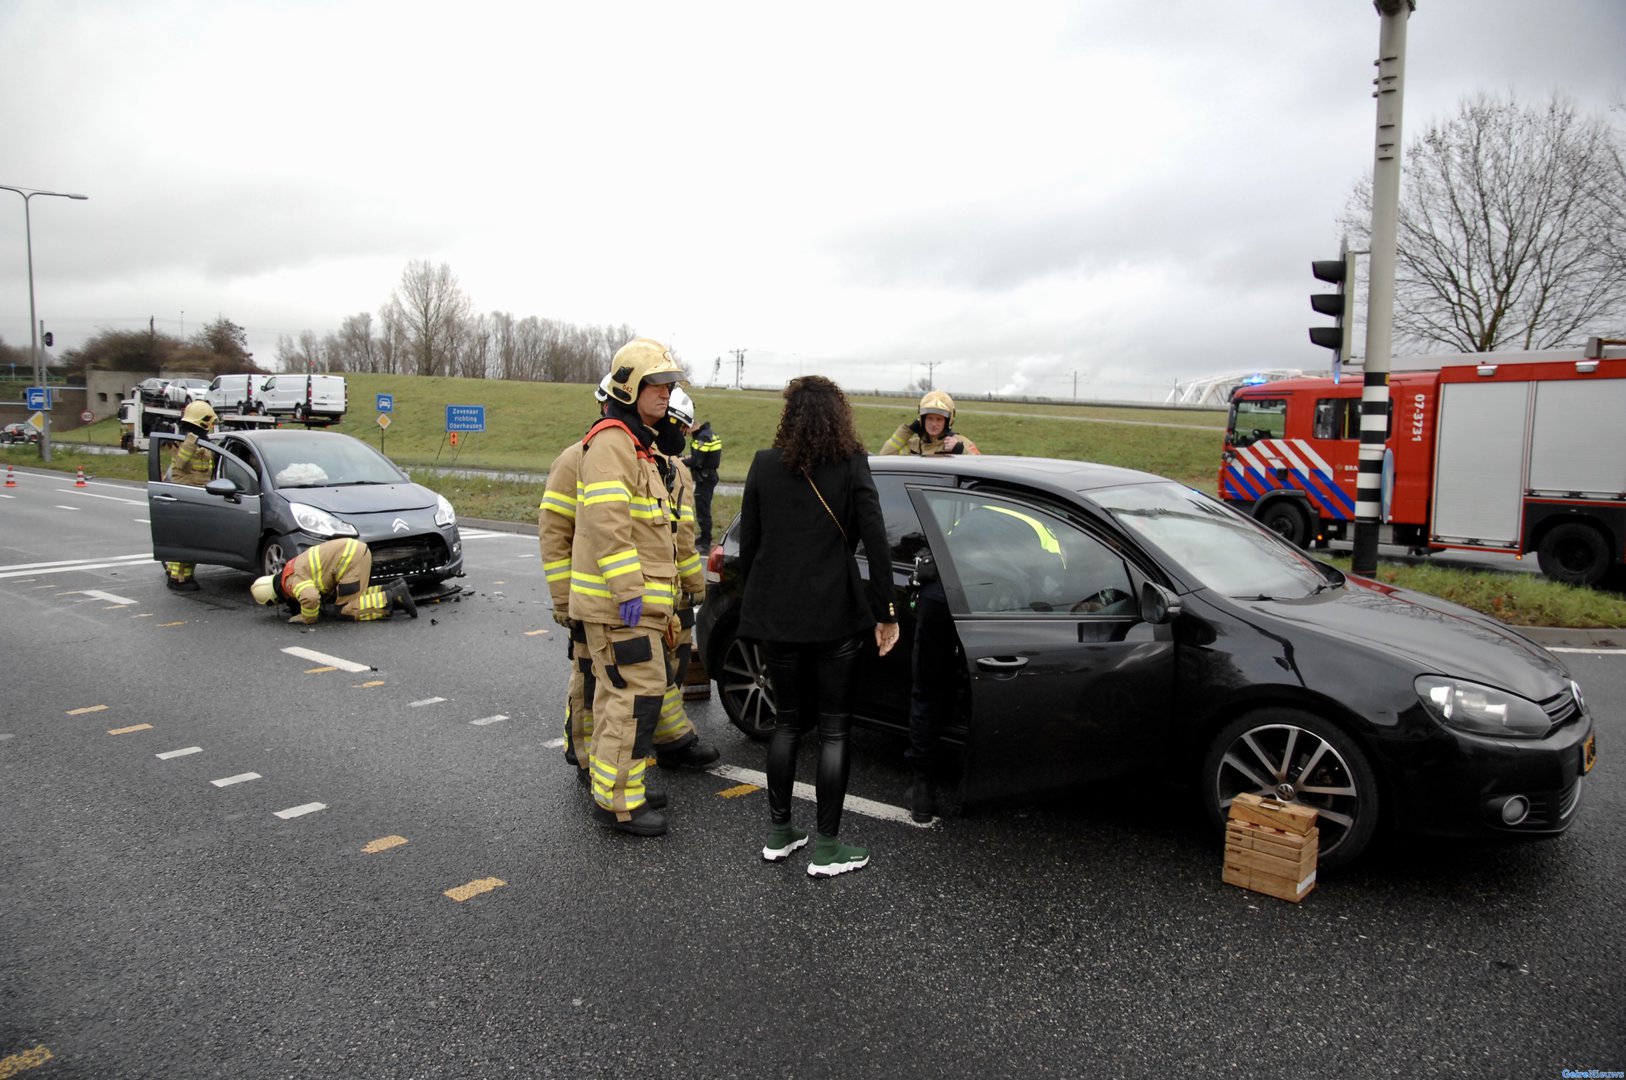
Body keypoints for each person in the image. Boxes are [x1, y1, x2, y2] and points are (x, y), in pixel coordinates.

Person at [736, 375, 899, 877]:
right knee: (833, 731)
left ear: (790, 416)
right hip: (834, 616)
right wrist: (886, 612)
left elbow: (752, 543)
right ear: (839, 414)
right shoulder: (852, 465)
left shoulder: (765, 464)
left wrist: (761, 599)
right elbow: (875, 541)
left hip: (778, 616)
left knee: (786, 724)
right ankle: (827, 847)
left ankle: (780, 833)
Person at [570, 338, 717, 838]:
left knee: (633, 700)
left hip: (636, 607)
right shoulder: (612, 441)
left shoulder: (638, 445)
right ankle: (618, 804)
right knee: (632, 700)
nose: (666, 393)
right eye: (658, 385)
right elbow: (608, 524)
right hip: (619, 607)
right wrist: (629, 590)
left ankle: (620, 793)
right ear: (630, 386)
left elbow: (664, 534)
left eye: (670, 384)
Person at [539, 375, 615, 788]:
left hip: (615, 598)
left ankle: (602, 760)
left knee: (609, 684)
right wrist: (564, 600)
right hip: (586, 596)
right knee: (587, 674)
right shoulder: (575, 459)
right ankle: (583, 753)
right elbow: (554, 534)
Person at [249, 538, 417, 623]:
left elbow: (310, 597)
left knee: (345, 609)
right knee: (350, 595)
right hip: (356, 552)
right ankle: (393, 587)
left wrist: (307, 617)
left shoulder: (290, 581)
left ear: (273, 597)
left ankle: (392, 597)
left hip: (349, 561)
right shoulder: (290, 568)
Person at [161, 400, 220, 591]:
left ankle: (183, 575)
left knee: (194, 540)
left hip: (200, 495)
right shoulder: (184, 443)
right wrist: (192, 441)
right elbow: (181, 464)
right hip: (185, 495)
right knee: (186, 539)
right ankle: (177, 579)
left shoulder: (204, 444)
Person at [880, 390, 981, 457]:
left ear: (948, 421)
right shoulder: (914, 446)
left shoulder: (959, 443)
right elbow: (884, 456)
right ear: (922, 419)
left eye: (939, 419)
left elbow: (979, 466)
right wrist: (908, 431)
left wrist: (960, 450)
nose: (933, 424)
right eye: (929, 418)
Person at [682, 415, 723, 552]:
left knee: (703, 509)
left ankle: (705, 542)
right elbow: (700, 456)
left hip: (705, 477)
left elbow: (696, 461)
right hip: (708, 475)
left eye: (686, 429)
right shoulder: (709, 434)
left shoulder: (702, 438)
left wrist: (679, 461)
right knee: (703, 507)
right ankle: (704, 537)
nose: (687, 433)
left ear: (692, 427)